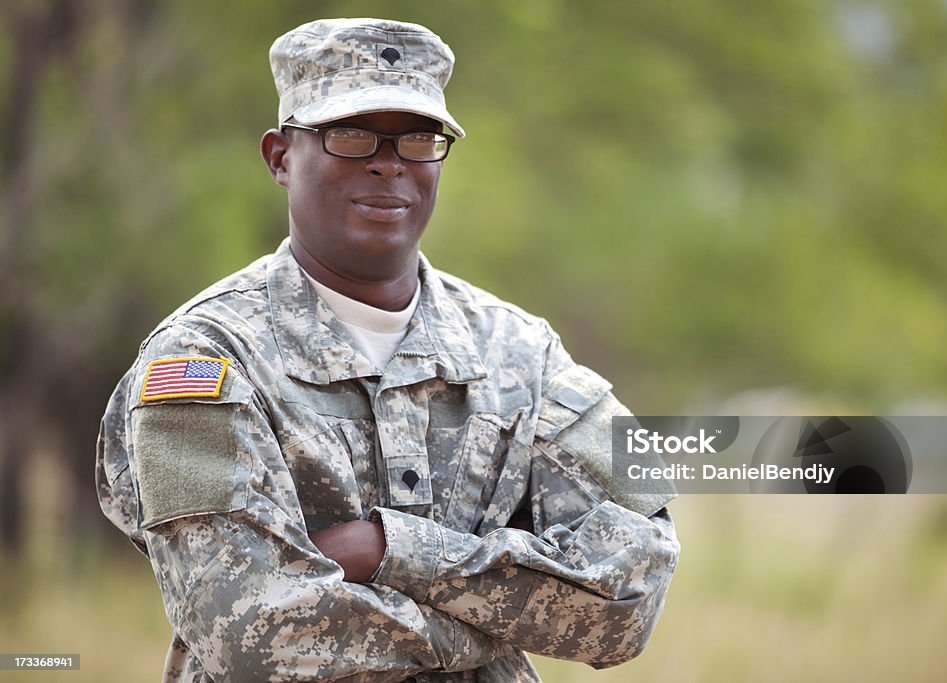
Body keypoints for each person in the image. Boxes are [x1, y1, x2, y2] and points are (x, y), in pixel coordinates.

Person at [96, 17, 679, 682]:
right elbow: (248, 630)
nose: (389, 161)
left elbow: (633, 593)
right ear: (280, 157)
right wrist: (491, 624)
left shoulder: (526, 353)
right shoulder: (199, 362)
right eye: (350, 134)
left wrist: (390, 550)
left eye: (419, 138)